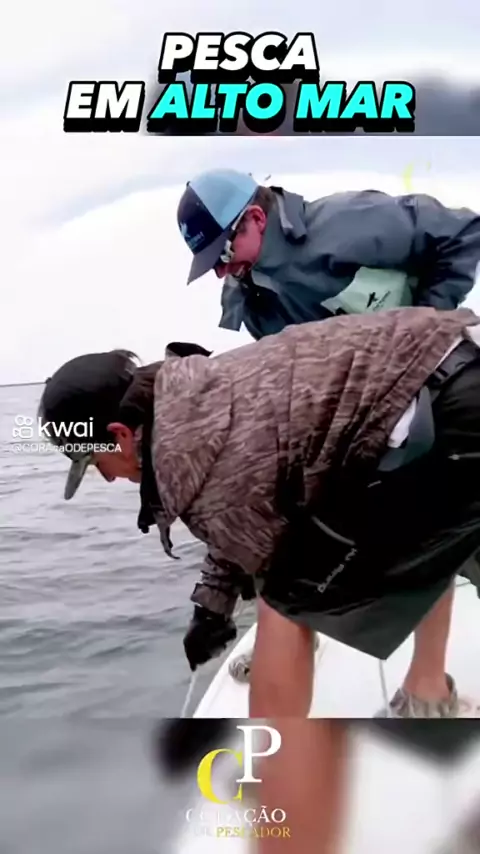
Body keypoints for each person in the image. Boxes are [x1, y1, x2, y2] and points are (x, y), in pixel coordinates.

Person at [39, 305, 480, 717]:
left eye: (93, 462)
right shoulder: (189, 401)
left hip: (446, 413)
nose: (107, 478)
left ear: (119, 435)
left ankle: (278, 763)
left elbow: (256, 533)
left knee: (286, 600)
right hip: (445, 373)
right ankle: (427, 693)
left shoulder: (192, 454)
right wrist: (212, 607)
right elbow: (242, 505)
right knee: (412, 537)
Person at [176, 168, 480, 338]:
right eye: (211, 265)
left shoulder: (348, 221)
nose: (221, 272)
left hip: (444, 372)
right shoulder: (251, 306)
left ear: (256, 218)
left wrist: (427, 326)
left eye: (223, 254)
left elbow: (463, 233)